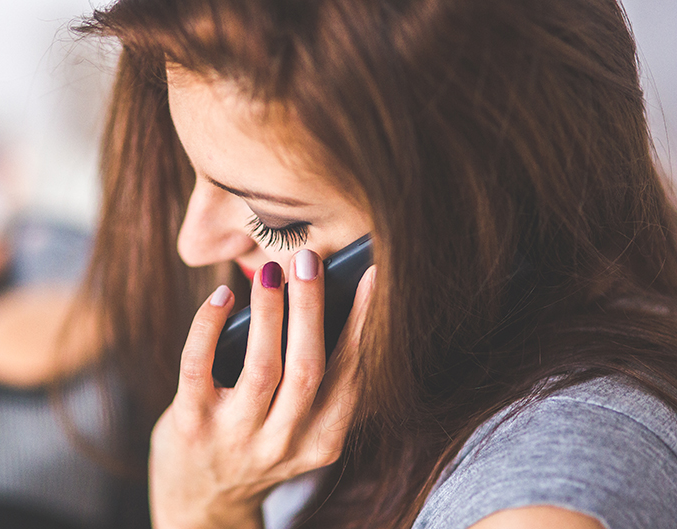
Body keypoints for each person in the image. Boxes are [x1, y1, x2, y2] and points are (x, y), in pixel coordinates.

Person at [68, 0, 677, 527]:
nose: (191, 244)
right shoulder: (402, 368)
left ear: (477, 224)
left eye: (275, 222)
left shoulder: (539, 511)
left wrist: (201, 513)